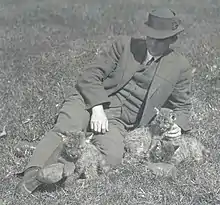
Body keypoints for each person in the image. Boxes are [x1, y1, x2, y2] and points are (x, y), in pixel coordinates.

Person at [16, 8, 192, 194]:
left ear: (173, 40)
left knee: (112, 156)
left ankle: (55, 164)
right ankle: (33, 176)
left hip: (119, 122)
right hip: (89, 101)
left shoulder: (180, 67)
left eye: (160, 40)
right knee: (68, 129)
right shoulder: (124, 46)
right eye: (150, 37)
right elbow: (90, 75)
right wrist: (97, 109)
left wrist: (177, 125)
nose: (153, 43)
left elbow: (182, 106)